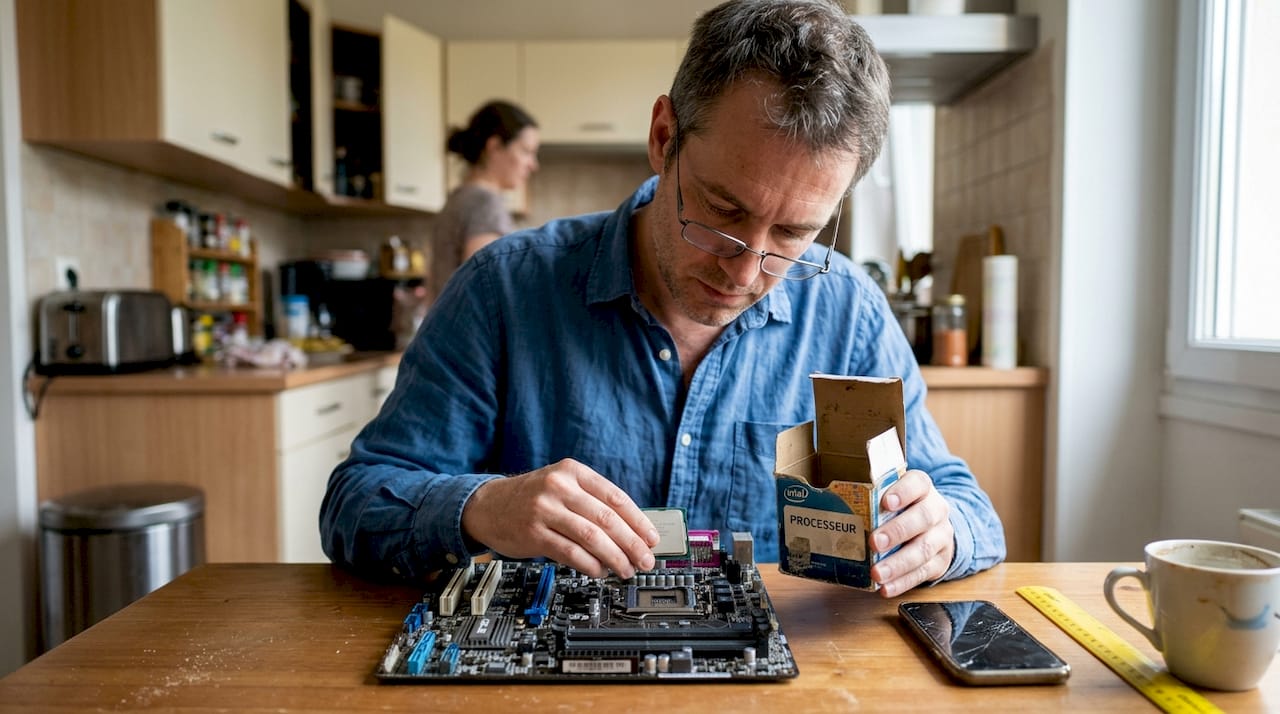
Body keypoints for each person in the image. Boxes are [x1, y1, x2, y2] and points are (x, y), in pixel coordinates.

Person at [321, 0, 1006, 598]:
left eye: (793, 234)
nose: (746, 270)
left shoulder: (849, 312)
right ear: (663, 137)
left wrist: (938, 532)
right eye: (723, 211)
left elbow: (968, 509)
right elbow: (354, 502)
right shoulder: (504, 288)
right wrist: (487, 507)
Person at [430, 100, 540, 301]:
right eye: (526, 151)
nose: (533, 165)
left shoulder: (458, 198)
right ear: (495, 146)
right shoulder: (485, 204)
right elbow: (484, 293)